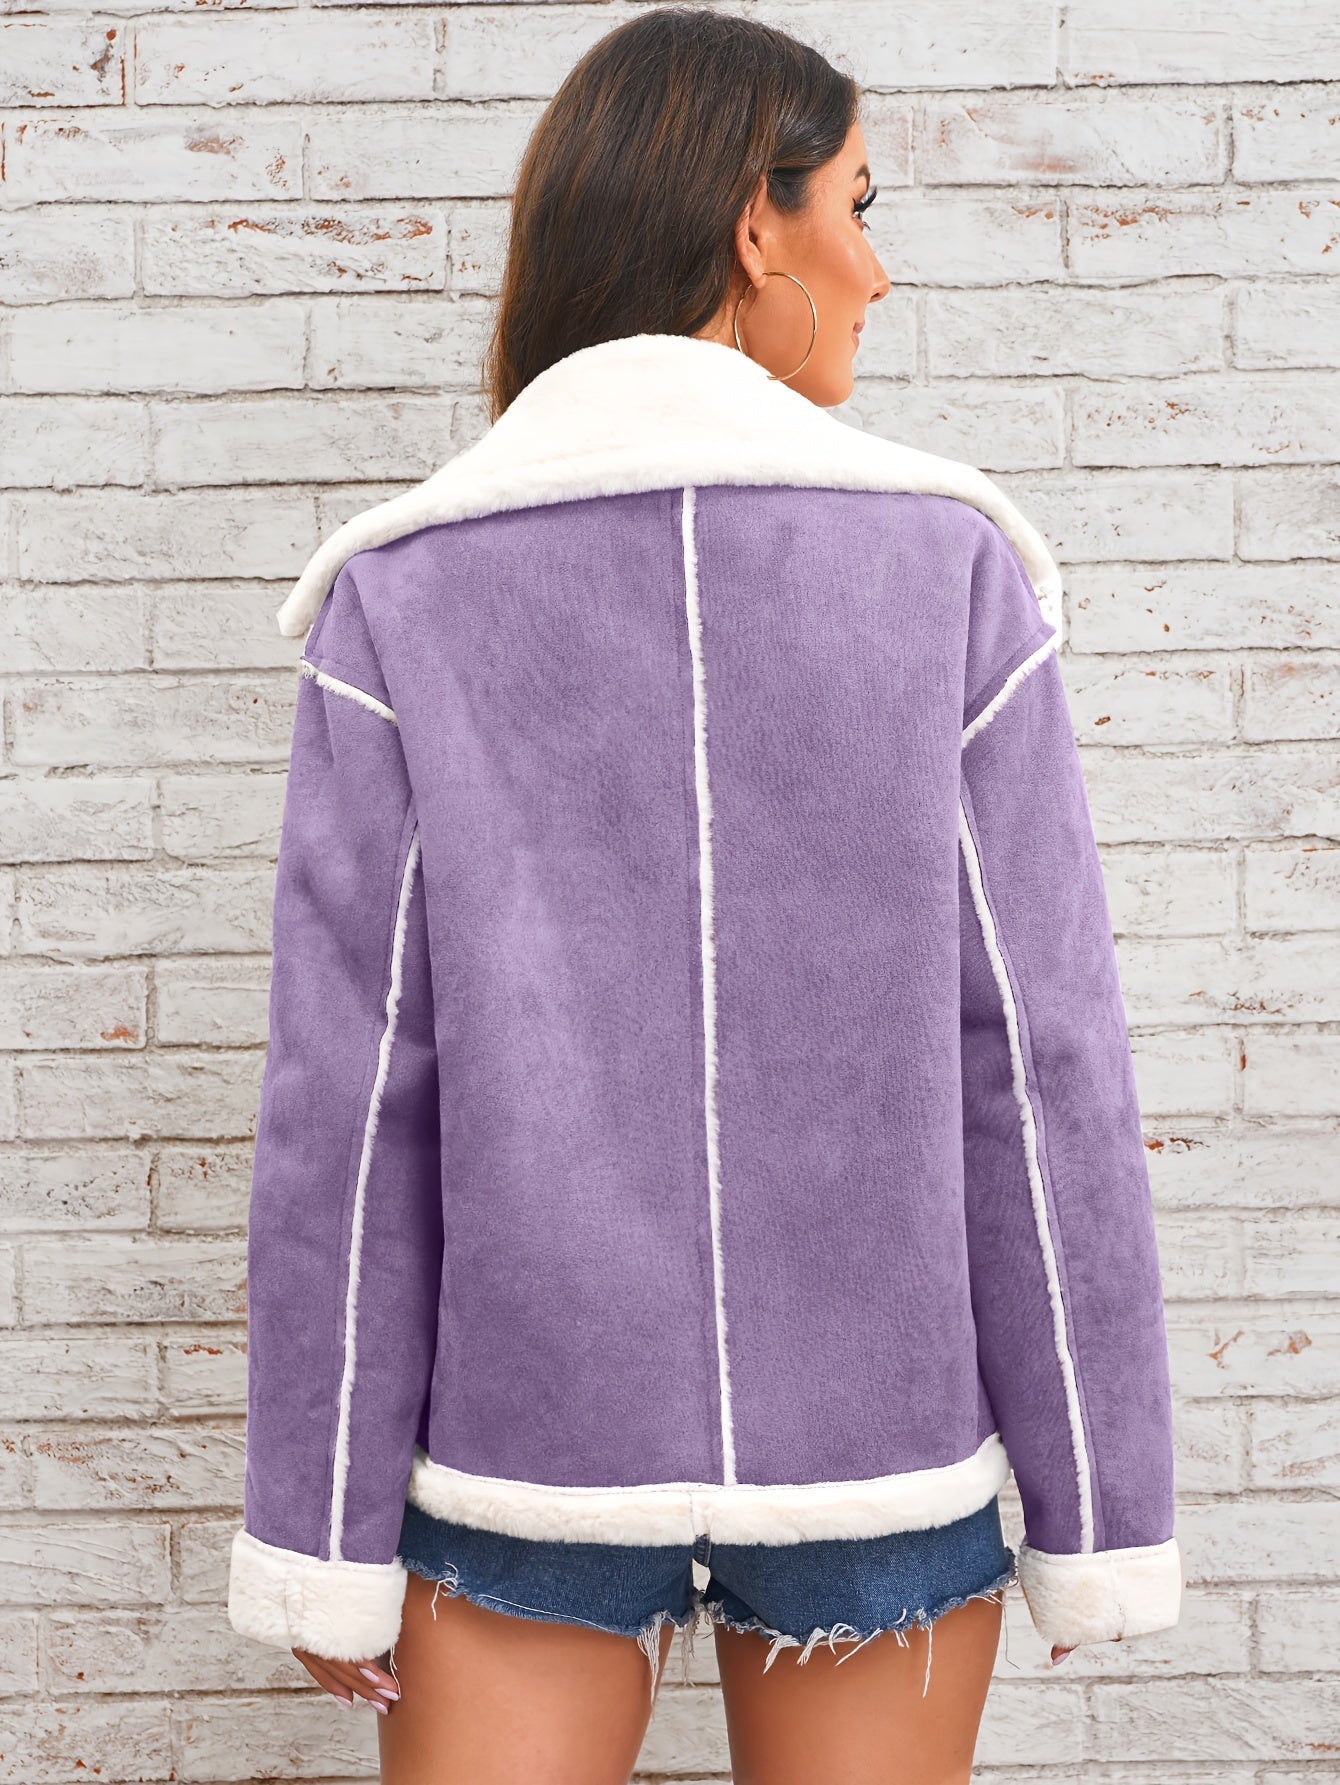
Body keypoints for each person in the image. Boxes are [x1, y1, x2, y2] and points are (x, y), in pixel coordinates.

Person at [225, 9, 1183, 1781]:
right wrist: (1101, 1501)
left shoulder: (404, 591)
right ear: (759, 226)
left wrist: (321, 1526)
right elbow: (1040, 1067)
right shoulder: (952, 568)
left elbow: (348, 1109)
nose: (878, 270)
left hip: (527, 1446)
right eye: (859, 207)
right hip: (878, 1445)